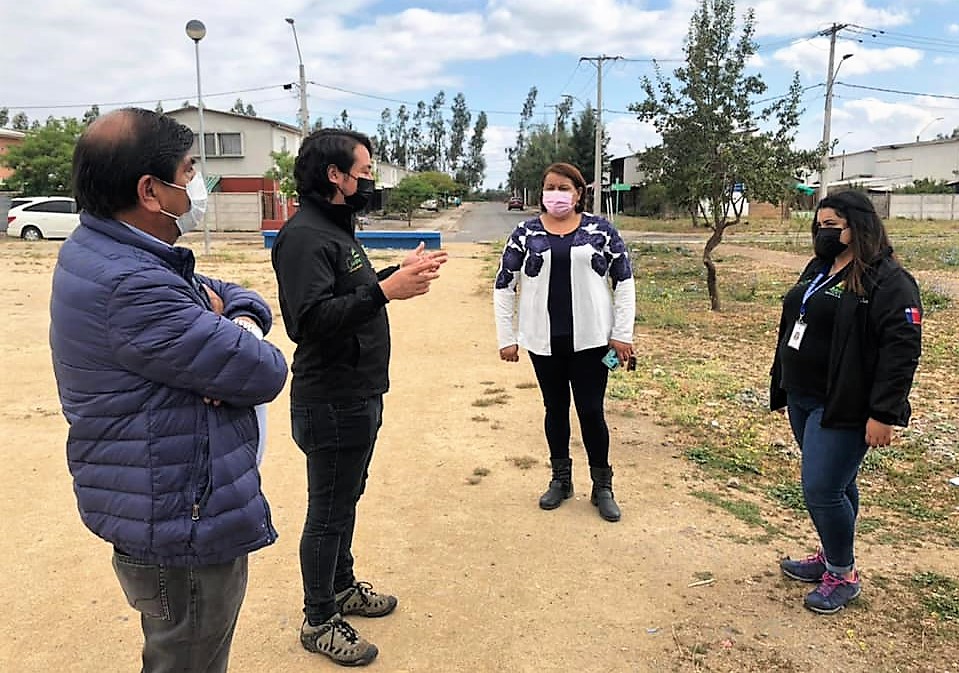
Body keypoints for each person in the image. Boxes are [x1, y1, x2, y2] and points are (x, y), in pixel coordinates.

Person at [49, 108, 289, 672]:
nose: (197, 182)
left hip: (166, 498)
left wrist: (232, 321)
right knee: (189, 659)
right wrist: (231, 333)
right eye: (189, 169)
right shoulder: (133, 282)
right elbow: (264, 373)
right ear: (150, 191)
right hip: (180, 518)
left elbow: (230, 291)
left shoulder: (118, 251)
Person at [271, 128, 448, 666]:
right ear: (335, 175)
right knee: (326, 511)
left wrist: (397, 276)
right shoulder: (305, 237)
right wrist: (384, 291)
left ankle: (343, 587)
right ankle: (319, 618)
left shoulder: (337, 230)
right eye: (365, 171)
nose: (370, 180)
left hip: (358, 392)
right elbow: (308, 322)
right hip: (331, 399)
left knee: (346, 498)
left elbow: (350, 296)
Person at [770, 190, 922, 614]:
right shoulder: (821, 266)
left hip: (845, 404)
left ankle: (844, 573)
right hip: (803, 396)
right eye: (819, 225)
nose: (822, 232)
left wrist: (884, 413)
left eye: (832, 225)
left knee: (821, 488)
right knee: (838, 484)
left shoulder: (888, 280)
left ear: (858, 226)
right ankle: (830, 552)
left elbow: (902, 351)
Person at [493, 162, 636, 522]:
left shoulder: (600, 230)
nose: (555, 194)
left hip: (592, 342)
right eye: (549, 187)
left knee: (591, 411)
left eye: (563, 188)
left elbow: (624, 282)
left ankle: (602, 485)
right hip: (544, 342)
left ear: (578, 193)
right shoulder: (525, 233)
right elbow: (504, 284)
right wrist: (507, 337)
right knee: (554, 409)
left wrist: (622, 334)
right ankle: (561, 479)